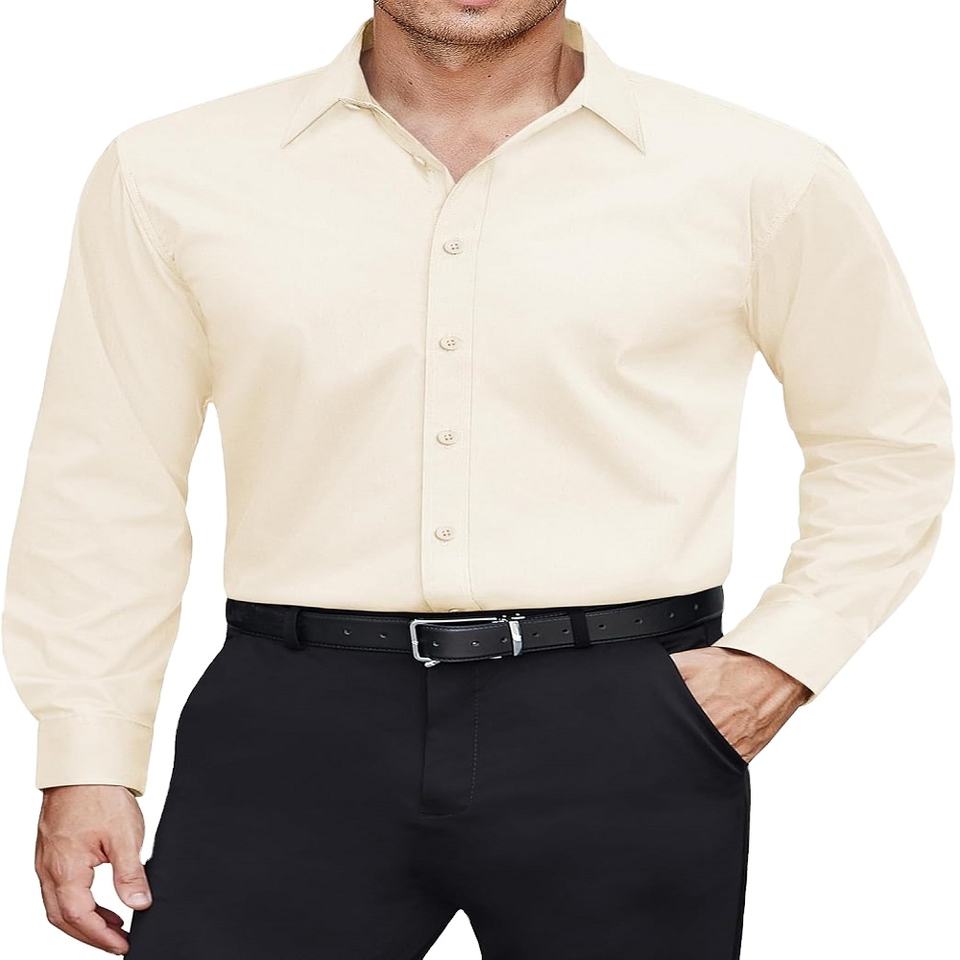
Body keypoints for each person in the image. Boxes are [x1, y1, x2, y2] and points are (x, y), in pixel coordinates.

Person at [3, 1, 953, 957]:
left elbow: (888, 438)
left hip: (629, 720)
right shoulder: (172, 172)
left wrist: (780, 661)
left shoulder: (758, 173)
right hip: (292, 723)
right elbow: (107, 474)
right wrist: (86, 750)